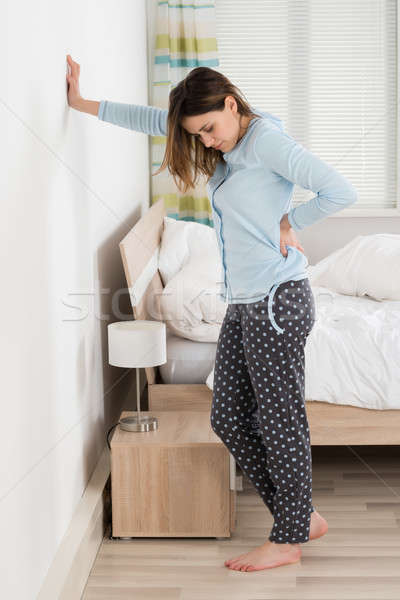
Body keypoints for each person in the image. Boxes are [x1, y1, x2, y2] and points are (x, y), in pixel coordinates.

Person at [67, 54, 356, 572]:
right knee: (226, 415)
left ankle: (288, 537)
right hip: (245, 303)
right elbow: (151, 119)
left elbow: (340, 189)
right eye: (197, 134)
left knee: (280, 419)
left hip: (276, 303)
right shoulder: (218, 130)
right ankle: (300, 515)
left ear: (231, 103)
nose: (205, 142)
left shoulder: (264, 140)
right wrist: (81, 103)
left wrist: (290, 219)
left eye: (209, 129)